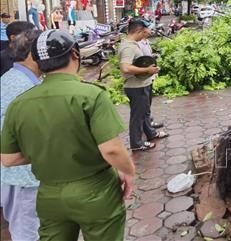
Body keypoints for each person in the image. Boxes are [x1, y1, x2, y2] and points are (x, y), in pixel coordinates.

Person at [1, 30, 135, 240]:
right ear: (74, 54)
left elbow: (8, 159)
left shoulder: (18, 104)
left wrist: (48, 151)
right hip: (96, 190)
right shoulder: (91, 95)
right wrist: (129, 172)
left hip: (49, 196)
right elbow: (110, 149)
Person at [1, 29, 41, 241]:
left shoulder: (19, 79)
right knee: (28, 233)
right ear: (33, 55)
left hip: (24, 175)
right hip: (22, 177)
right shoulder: (20, 87)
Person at [119, 19, 168, 151]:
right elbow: (126, 68)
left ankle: (151, 134)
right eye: (143, 32)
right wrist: (147, 70)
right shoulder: (128, 47)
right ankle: (136, 144)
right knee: (137, 117)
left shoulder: (134, 44)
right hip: (135, 87)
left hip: (141, 85)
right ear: (139, 31)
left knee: (145, 113)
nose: (145, 34)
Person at [137, 23, 164, 131]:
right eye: (149, 29)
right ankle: (146, 126)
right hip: (144, 76)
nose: (151, 30)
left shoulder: (146, 42)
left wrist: (153, 57)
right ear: (143, 31)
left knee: (148, 102)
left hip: (150, 76)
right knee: (144, 104)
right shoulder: (138, 44)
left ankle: (148, 122)